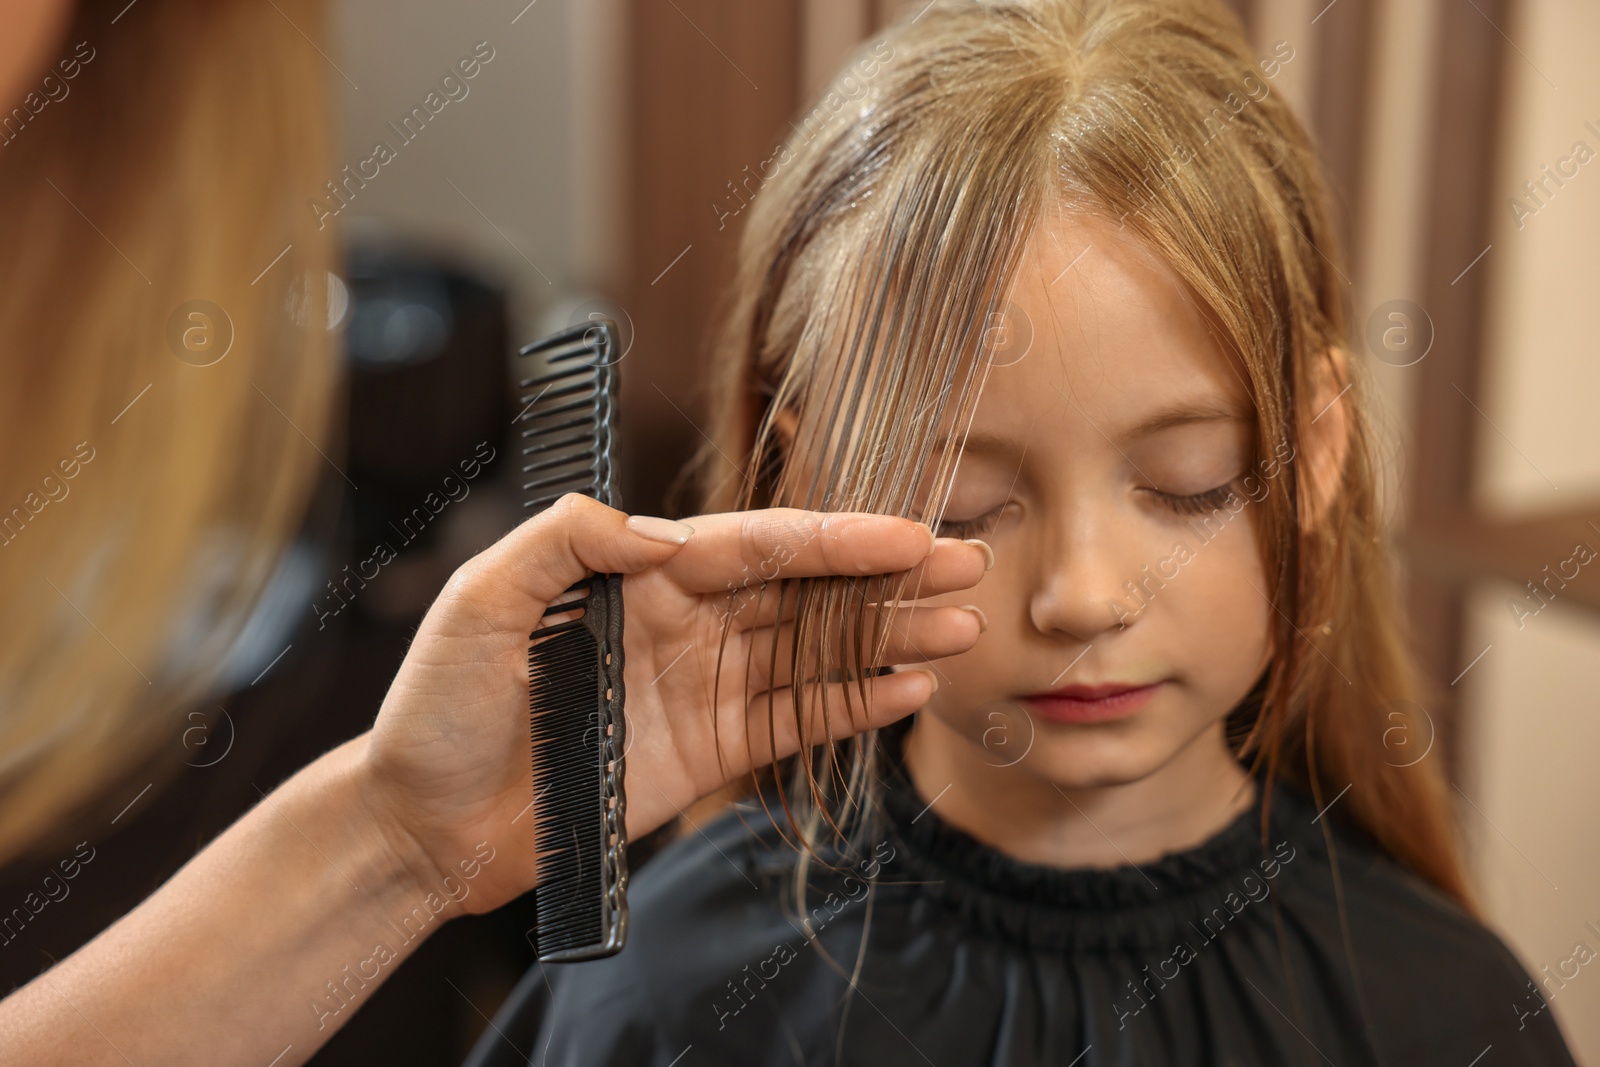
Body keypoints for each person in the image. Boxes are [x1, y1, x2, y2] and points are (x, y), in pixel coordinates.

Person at [461, 1, 1580, 1065]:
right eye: (961, 502)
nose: (1083, 596)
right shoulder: (668, 995)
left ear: (1318, 450)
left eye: (1189, 483)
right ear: (812, 484)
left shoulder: (1442, 1012)